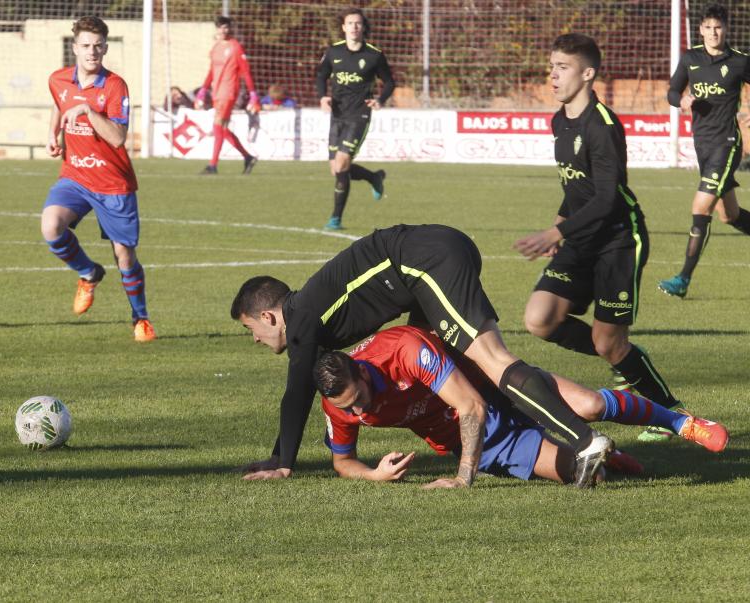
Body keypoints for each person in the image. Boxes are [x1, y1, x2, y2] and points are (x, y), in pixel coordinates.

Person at [232, 224, 619, 489]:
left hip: (423, 261)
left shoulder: (299, 321)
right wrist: (280, 455)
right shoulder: (309, 319)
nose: (254, 339)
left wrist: (283, 463)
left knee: (492, 358)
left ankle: (585, 441)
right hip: (430, 259)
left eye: (251, 329)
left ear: (268, 317)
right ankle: (568, 441)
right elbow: (313, 391)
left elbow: (296, 392)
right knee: (464, 361)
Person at [513, 33, 680, 442]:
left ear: (587, 74)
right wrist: (560, 225)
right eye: (551, 66)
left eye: (563, 67)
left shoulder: (603, 126)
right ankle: (625, 362)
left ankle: (668, 412)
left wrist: (556, 230)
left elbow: (607, 198)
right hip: (581, 239)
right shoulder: (559, 120)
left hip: (619, 240)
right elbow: (576, 189)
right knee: (539, 320)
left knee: (608, 342)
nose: (553, 75)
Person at [313, 326, 726, 486]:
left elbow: (471, 406)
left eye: (360, 401)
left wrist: (462, 478)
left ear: (364, 373)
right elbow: (342, 460)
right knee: (588, 480)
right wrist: (374, 475)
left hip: (494, 388)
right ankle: (610, 457)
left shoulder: (404, 349)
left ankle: (680, 422)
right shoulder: (340, 404)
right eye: (349, 410)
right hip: (484, 441)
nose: (359, 414)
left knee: (587, 404)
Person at [41, 16, 155, 343]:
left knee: (125, 256)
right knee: (50, 226)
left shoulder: (115, 86)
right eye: (86, 46)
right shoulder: (58, 79)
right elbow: (59, 105)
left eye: (98, 46)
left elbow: (118, 137)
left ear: (105, 47)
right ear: (74, 47)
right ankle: (89, 273)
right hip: (75, 175)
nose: (92, 52)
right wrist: (53, 134)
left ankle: (141, 319)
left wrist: (89, 112)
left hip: (113, 183)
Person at [658, 3, 750, 298]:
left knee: (700, 208)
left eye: (718, 27)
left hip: (727, 144)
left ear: (726, 29)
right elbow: (672, 91)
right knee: (729, 215)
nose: (713, 32)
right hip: (703, 146)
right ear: (701, 30)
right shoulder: (690, 58)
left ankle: (683, 279)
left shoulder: (739, 61)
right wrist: (681, 100)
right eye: (708, 27)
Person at [316, 8, 394, 230]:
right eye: (350, 23)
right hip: (337, 114)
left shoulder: (374, 55)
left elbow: (389, 82)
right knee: (337, 170)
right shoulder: (333, 52)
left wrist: (380, 100)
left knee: (341, 164)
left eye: (358, 23)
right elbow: (321, 75)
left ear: (363, 27)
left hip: (359, 114)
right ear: (343, 27)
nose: (354, 27)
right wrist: (323, 97)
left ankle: (335, 219)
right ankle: (373, 177)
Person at [195, 15, 259, 175]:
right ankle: (248, 157)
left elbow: (245, 71)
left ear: (230, 29)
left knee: (217, 126)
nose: (223, 30)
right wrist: (203, 90)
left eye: (226, 27)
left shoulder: (235, 47)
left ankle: (213, 165)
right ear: (216, 29)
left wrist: (253, 94)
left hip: (228, 91)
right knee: (222, 128)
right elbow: (212, 71)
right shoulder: (215, 47)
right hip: (216, 92)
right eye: (220, 27)